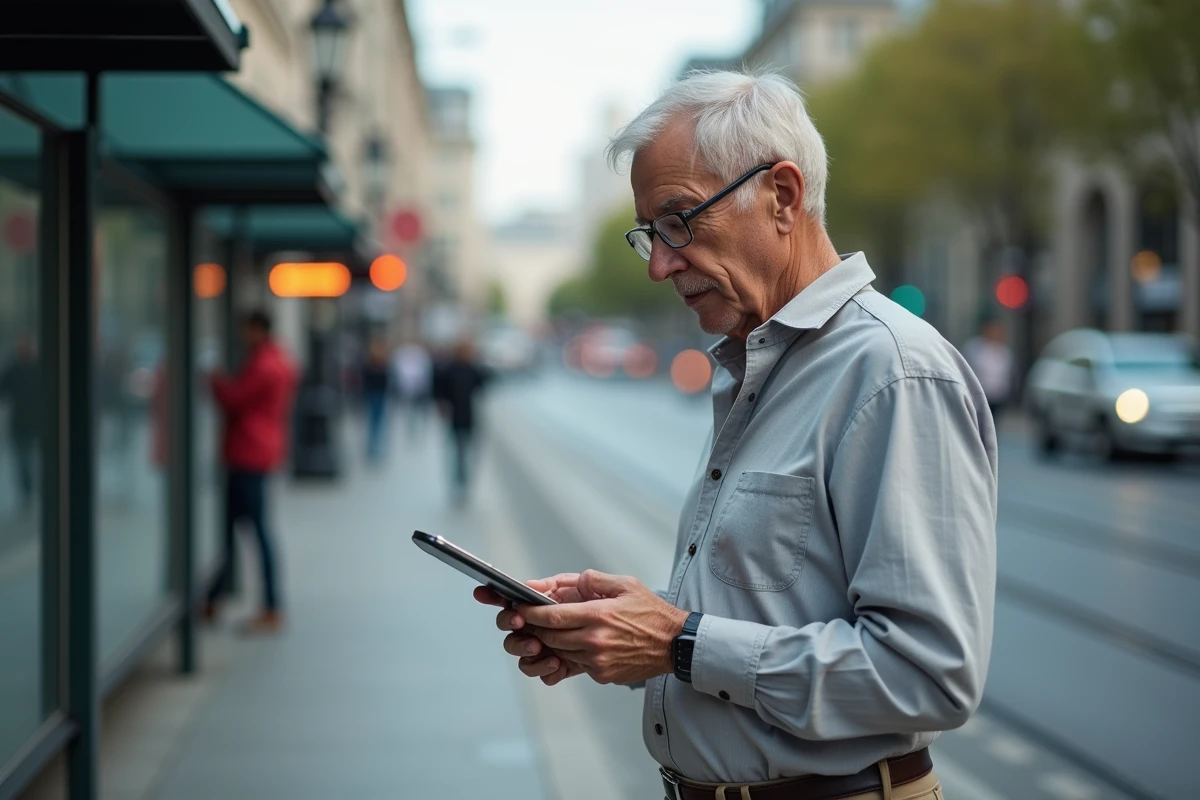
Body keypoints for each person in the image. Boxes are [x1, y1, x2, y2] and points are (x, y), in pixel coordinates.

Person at [476, 71, 997, 800]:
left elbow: (927, 676)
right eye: (649, 235)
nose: (660, 264)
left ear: (781, 196)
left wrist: (678, 641)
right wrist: (628, 630)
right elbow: (774, 614)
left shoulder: (893, 371)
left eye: (680, 221)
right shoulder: (761, 362)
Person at [204, 310, 297, 633]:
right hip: (257, 452)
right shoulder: (278, 360)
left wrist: (213, 379)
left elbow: (234, 399)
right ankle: (214, 595)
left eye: (246, 329)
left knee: (254, 530)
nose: (243, 337)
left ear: (258, 329)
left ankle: (271, 605)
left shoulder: (264, 365)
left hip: (249, 453)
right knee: (236, 528)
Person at [432, 339, 488, 504]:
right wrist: (441, 404)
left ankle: (463, 481)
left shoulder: (472, 369)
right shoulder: (449, 370)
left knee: (466, 452)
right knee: (456, 452)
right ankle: (457, 481)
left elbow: (484, 383)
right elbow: (439, 389)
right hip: (454, 417)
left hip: (469, 417)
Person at [0, 334, 39, 512]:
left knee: (27, 460)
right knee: (25, 461)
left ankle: (29, 493)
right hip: (26, 424)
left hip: (32, 424)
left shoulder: (20, 368)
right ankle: (28, 493)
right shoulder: (18, 369)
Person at [962, 319, 1014, 421]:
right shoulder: (973, 348)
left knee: (993, 421)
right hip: (978, 394)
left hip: (997, 394)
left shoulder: (1004, 351)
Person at [392, 339, 433, 438]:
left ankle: (415, 426)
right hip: (407, 390)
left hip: (418, 390)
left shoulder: (421, 356)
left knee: (416, 410)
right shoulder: (402, 355)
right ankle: (410, 426)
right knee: (409, 409)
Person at [361, 337, 391, 464]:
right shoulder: (370, 366)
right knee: (374, 423)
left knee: (379, 423)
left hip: (380, 396)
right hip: (373, 396)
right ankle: (372, 449)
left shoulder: (383, 365)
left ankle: (377, 448)